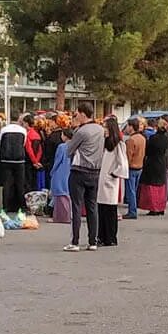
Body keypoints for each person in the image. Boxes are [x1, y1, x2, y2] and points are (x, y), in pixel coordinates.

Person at [65, 103, 103, 252]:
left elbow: (69, 150)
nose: (75, 116)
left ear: (82, 114)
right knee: (92, 207)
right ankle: (92, 241)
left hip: (79, 171)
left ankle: (75, 242)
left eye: (76, 114)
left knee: (76, 206)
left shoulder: (81, 131)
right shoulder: (100, 130)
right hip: (95, 172)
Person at [96, 117, 127, 248]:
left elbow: (123, 163)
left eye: (106, 127)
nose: (104, 130)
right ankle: (102, 236)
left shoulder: (118, 144)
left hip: (110, 180)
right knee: (101, 209)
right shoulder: (104, 143)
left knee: (110, 210)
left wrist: (114, 173)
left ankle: (110, 237)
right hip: (102, 179)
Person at [0, 114, 32, 214]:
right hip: (19, 160)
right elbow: (23, 144)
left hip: (6, 160)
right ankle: (22, 206)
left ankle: (5, 206)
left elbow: (0, 143)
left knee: (7, 184)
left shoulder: (4, 129)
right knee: (20, 184)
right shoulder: (22, 130)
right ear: (19, 120)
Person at [139, 117, 168, 217]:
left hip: (153, 163)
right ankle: (161, 207)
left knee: (152, 187)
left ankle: (153, 208)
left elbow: (148, 151)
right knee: (161, 187)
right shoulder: (166, 138)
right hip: (162, 162)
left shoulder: (154, 138)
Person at [123, 117, 146, 220]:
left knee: (130, 191)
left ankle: (132, 211)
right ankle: (133, 208)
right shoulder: (142, 138)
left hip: (131, 167)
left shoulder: (131, 140)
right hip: (139, 166)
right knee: (134, 190)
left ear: (131, 127)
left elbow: (128, 156)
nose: (126, 128)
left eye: (128, 126)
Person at [50, 131, 73, 224]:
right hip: (70, 170)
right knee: (67, 194)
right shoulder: (75, 146)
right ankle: (68, 215)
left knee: (59, 194)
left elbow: (58, 160)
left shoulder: (61, 147)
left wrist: (52, 171)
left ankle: (60, 217)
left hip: (60, 171)